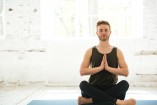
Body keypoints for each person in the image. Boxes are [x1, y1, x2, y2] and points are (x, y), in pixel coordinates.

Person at [78, 20, 136, 105]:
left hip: (112, 88)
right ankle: (116, 101)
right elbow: (82, 71)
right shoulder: (90, 51)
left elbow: (125, 72)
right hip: (94, 88)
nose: (103, 32)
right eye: (100, 30)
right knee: (83, 84)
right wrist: (100, 68)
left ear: (110, 32)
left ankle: (90, 101)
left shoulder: (117, 51)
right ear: (97, 33)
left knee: (125, 84)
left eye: (106, 30)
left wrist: (108, 68)